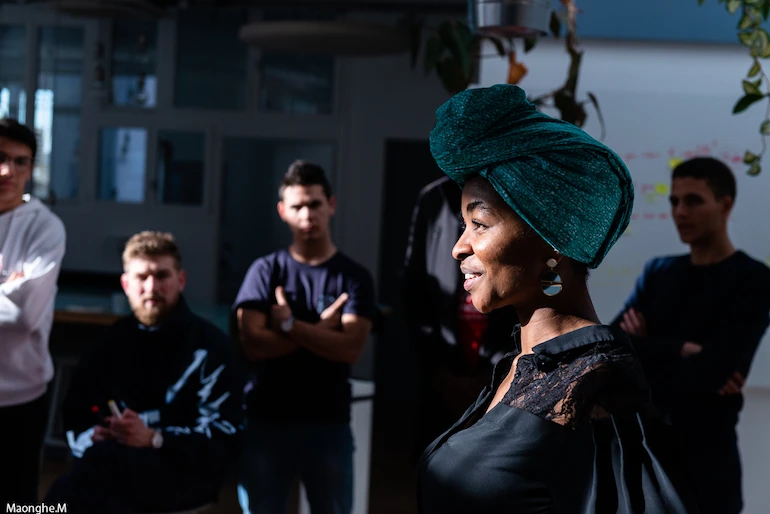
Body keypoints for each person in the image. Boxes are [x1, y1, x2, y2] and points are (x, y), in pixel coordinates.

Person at [418, 84, 695, 513]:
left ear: (553, 239)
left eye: (480, 224)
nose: (458, 247)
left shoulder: (597, 384)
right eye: (463, 225)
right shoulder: (523, 364)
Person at [614, 156, 770, 514]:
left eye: (693, 200)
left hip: (707, 471)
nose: (680, 212)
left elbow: (712, 372)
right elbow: (613, 347)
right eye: (674, 201)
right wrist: (679, 349)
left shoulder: (753, 280)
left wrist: (644, 353)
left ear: (725, 205)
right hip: (644, 462)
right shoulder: (659, 271)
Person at [45, 231, 242, 513]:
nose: (151, 287)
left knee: (84, 487)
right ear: (126, 284)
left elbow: (223, 438)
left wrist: (154, 438)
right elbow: (77, 411)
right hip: (112, 463)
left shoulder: (212, 347)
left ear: (181, 280)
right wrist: (91, 435)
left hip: (184, 471)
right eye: (142, 277)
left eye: (162, 276)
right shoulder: (110, 343)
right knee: (96, 478)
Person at [234, 160, 375, 514]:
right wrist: (321, 331)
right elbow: (253, 344)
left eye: (314, 204)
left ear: (331, 204)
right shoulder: (265, 271)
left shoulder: (354, 278)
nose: (307, 214)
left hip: (328, 423)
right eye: (297, 206)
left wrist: (289, 326)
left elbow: (349, 349)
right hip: (266, 421)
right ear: (283, 211)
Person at [404, 175, 518, 458]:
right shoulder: (435, 198)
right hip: (441, 375)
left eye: (480, 225)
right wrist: (441, 373)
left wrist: (495, 374)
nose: (460, 247)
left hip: (503, 377)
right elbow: (415, 289)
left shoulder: (514, 189)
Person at [0, 118, 66, 505]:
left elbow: (24, 317)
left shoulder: (45, 228)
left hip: (20, 398)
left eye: (20, 161)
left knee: (17, 500)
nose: (7, 171)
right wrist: (8, 289)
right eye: (0, 157)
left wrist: (16, 298)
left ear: (31, 169)